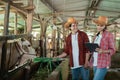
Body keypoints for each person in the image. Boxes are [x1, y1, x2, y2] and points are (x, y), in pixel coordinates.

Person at [91, 16, 116, 80]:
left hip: (103, 62)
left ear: (105, 26)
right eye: (97, 25)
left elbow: (113, 50)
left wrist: (103, 51)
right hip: (95, 62)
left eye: (101, 25)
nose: (99, 27)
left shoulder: (109, 35)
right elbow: (94, 49)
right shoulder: (96, 35)